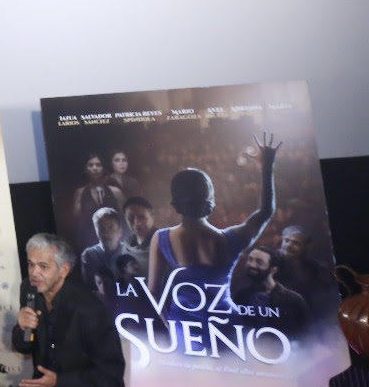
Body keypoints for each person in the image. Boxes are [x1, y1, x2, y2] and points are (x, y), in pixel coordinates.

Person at [148, 134, 279, 324]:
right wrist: (267, 167)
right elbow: (266, 211)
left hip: (185, 327)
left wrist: (171, 325)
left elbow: (153, 291)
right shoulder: (231, 240)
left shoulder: (161, 239)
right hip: (227, 324)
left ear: (176, 200)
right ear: (210, 197)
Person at [0, 234, 132, 387]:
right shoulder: (29, 290)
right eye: (30, 264)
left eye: (43, 266)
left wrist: (59, 382)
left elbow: (110, 375)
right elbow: (24, 346)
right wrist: (22, 328)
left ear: (64, 270)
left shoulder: (89, 310)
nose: (34, 273)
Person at [232, 246, 310, 340]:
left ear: (273, 270)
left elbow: (305, 335)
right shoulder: (241, 296)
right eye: (250, 259)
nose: (252, 265)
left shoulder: (294, 300)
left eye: (259, 262)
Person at [69, 155, 122, 247]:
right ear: (85, 169)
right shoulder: (80, 193)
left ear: (103, 168)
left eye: (98, 165)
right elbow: (78, 222)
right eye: (90, 165)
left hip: (114, 241)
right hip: (89, 241)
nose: (95, 168)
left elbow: (123, 219)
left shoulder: (116, 192)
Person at [77, 208, 123, 289]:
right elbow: (90, 287)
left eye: (110, 228)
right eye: (101, 229)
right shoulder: (89, 255)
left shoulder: (130, 251)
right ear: (96, 231)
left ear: (120, 232)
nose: (106, 234)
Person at [117, 198, 155, 276]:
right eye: (130, 218)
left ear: (152, 216)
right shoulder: (126, 247)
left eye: (142, 217)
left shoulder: (164, 243)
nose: (136, 222)